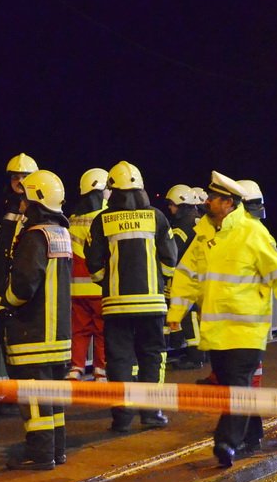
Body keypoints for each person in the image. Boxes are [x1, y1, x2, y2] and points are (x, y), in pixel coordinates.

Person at [167, 170, 277, 468]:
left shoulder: (252, 233)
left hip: (246, 330)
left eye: (212, 198)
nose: (207, 202)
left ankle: (226, 441)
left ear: (228, 203)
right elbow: (187, 275)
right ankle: (251, 436)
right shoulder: (204, 234)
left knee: (238, 384)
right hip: (216, 332)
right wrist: (176, 312)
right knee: (233, 386)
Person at [86, 160, 178, 432]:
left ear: (112, 190)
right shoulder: (157, 217)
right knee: (152, 355)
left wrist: (109, 283)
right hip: (151, 302)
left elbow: (94, 263)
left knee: (119, 359)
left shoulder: (102, 220)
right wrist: (159, 283)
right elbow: (170, 260)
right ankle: (151, 413)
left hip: (116, 304)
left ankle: (122, 417)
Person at [1, 169, 72, 469]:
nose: (22, 205)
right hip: (58, 335)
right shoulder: (61, 233)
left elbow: (24, 284)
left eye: (25, 199)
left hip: (33, 332)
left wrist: (8, 302)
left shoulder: (35, 236)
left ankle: (40, 455)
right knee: (52, 399)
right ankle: (56, 451)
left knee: (33, 397)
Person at [0, 152, 38, 414]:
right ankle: (14, 390)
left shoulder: (36, 210)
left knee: (20, 346)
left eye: (23, 176)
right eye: (15, 176)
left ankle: (20, 393)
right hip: (1, 289)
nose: (18, 181)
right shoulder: (7, 206)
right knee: (5, 343)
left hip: (18, 291)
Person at [66, 168, 109, 382]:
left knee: (80, 331)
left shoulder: (73, 218)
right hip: (99, 286)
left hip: (75, 288)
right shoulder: (104, 218)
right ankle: (100, 371)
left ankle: (76, 368)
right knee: (102, 331)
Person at [164, 183, 206, 371]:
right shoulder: (200, 220)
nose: (171, 209)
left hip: (187, 275)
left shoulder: (183, 226)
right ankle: (197, 353)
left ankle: (195, 357)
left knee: (188, 315)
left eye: (172, 205)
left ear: (182, 205)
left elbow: (173, 251)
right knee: (193, 315)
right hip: (201, 274)